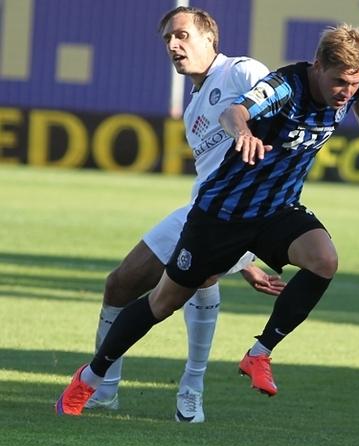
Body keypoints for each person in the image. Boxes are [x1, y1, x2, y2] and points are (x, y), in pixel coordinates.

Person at [56, 23, 359, 416]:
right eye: (340, 82)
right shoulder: (284, 87)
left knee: (324, 260)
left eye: (354, 83)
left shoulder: (349, 89)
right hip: (221, 215)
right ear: (318, 65)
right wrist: (243, 132)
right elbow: (234, 112)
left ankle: (259, 353)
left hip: (276, 210)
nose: (346, 92)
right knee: (163, 302)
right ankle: (90, 378)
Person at [82, 7, 284, 423]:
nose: (174, 45)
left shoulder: (241, 72)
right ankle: (103, 391)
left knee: (201, 278)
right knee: (119, 284)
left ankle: (192, 389)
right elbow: (212, 176)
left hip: (243, 213)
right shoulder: (193, 109)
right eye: (168, 40)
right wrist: (246, 263)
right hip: (201, 209)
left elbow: (279, 117)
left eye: (182, 35)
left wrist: (247, 242)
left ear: (210, 38)